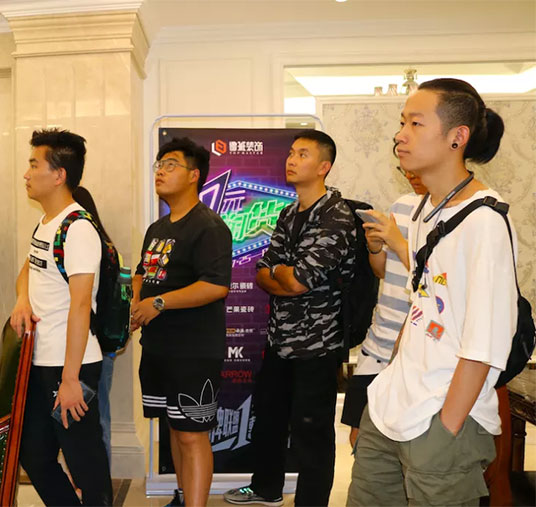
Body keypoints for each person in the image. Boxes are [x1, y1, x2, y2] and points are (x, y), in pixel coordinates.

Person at [347, 78, 516, 506]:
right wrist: (388, 383)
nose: (400, 135)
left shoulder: (484, 222)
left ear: (457, 137)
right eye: (402, 122)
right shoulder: (425, 211)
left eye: (416, 123)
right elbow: (420, 304)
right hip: (389, 407)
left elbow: (484, 345)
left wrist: (447, 426)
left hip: (440, 421)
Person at [225, 130, 355, 507]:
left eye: (303, 154)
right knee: (269, 418)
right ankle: (266, 489)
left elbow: (298, 281)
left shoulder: (336, 215)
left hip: (317, 343)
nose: (292, 160)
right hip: (279, 339)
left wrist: (285, 276)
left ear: (324, 166)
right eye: (291, 153)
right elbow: (263, 272)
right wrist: (283, 276)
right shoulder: (288, 212)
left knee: (311, 432)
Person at [12, 129, 112, 506]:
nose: (26, 174)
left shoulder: (78, 228)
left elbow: (81, 305)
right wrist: (22, 300)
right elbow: (28, 269)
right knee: (34, 455)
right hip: (42, 360)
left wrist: (71, 379)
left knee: (86, 464)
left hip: (71, 366)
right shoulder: (47, 222)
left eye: (34, 165)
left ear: (58, 175)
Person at [132, 137, 232, 507]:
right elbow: (143, 271)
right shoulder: (157, 228)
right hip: (159, 347)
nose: (160, 170)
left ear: (194, 175)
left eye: (170, 164)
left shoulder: (209, 226)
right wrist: (136, 302)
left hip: (194, 350)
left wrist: (158, 303)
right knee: (174, 429)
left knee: (192, 434)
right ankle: (183, 496)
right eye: (159, 164)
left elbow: (216, 285)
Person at [341, 167, 426, 446]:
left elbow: (433, 280)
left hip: (417, 349)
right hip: (378, 341)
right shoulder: (401, 206)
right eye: (405, 170)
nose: (410, 175)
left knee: (406, 444)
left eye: (416, 169)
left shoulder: (453, 215)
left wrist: (398, 242)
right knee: (360, 435)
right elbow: (382, 271)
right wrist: (375, 247)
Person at [72, 185, 117, 464]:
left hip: (87, 344)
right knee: (97, 417)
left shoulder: (87, 245)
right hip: (103, 344)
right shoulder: (107, 246)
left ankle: (95, 484)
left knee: (91, 420)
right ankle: (96, 480)